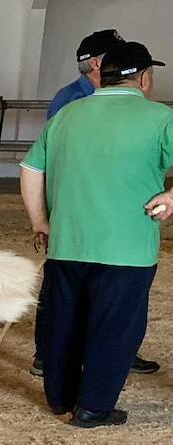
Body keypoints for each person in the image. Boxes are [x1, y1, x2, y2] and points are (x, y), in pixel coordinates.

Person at [20, 41, 173, 428]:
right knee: (114, 327)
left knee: (64, 321)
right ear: (144, 77)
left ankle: (60, 399)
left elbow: (31, 170)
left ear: (100, 77)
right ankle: (94, 407)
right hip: (128, 249)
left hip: (67, 243)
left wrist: (40, 221)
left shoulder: (66, 115)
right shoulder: (160, 118)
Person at [32, 28, 157, 377]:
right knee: (65, 288)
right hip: (81, 210)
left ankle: (115, 351)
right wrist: (43, 217)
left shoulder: (102, 99)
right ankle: (49, 353)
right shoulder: (73, 101)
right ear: (101, 64)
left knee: (106, 290)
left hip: (114, 212)